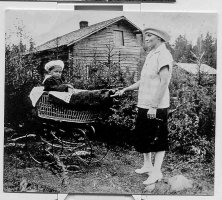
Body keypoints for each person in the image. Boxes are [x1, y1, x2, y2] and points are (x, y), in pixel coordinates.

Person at [116, 28, 173, 185]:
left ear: (160, 38)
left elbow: (164, 82)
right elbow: (145, 81)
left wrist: (154, 106)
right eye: (145, 35)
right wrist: (126, 89)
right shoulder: (151, 54)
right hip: (144, 104)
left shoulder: (163, 54)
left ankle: (156, 172)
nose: (145, 38)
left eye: (149, 35)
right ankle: (147, 166)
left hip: (157, 106)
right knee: (143, 136)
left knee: (158, 139)